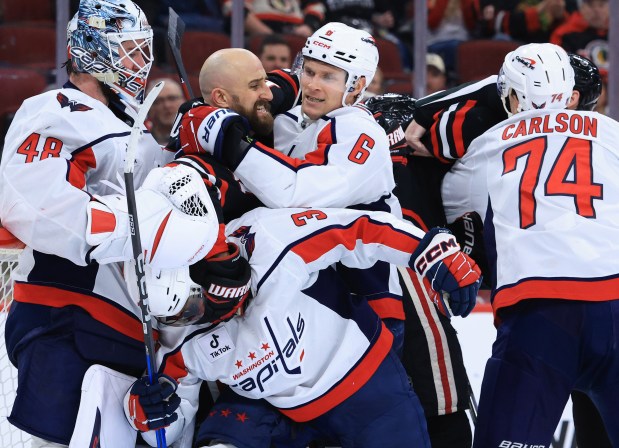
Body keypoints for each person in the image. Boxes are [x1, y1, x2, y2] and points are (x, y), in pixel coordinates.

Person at [0, 1, 239, 446]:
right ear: (92, 50)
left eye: (142, 49)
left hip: (132, 332)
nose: (142, 63)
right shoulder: (56, 109)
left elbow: (164, 211)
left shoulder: (132, 129)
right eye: (129, 50)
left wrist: (195, 161)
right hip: (67, 316)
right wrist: (146, 224)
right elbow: (38, 208)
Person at [128, 205, 481, 448]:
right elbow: (171, 422)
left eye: (189, 308)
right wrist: (149, 413)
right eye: (169, 317)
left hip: (365, 385)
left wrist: (431, 251)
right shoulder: (175, 331)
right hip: (269, 406)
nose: (181, 323)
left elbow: (357, 229)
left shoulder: (266, 238)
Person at [462, 41, 619, 448]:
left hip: (541, 314)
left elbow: (456, 215)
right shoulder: (612, 132)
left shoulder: (485, 146)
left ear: (512, 96)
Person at [146, 77, 184, 145]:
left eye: (172, 98)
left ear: (183, 101)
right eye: (158, 101)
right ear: (150, 109)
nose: (167, 105)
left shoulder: (197, 135)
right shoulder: (142, 141)